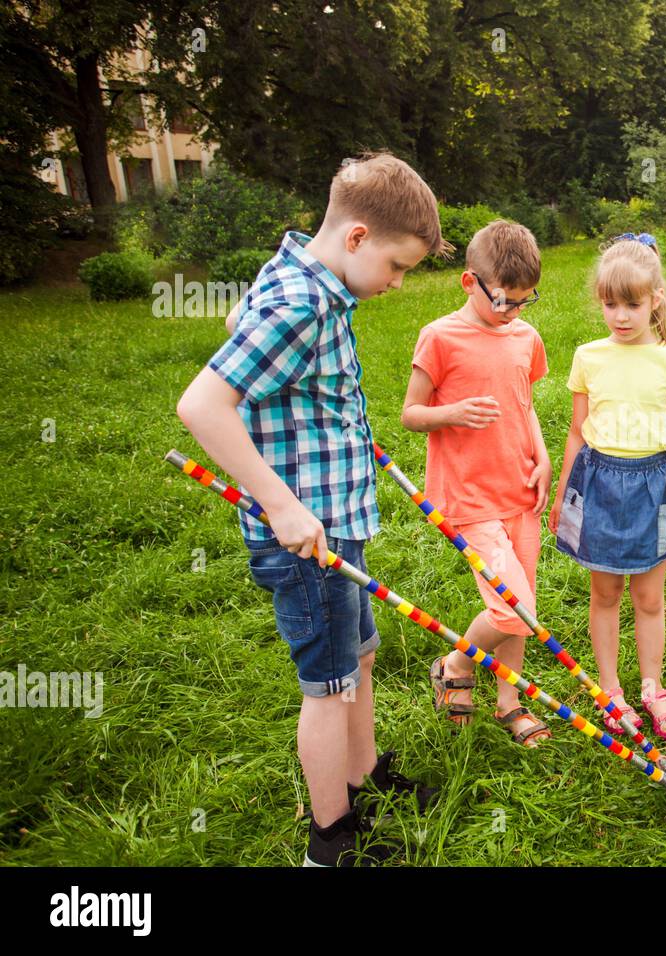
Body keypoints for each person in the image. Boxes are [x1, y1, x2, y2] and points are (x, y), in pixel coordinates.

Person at [178, 152, 447, 865]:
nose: (396, 283)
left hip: (339, 525)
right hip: (305, 538)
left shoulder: (301, 276)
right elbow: (202, 405)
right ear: (357, 238)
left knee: (358, 659)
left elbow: (242, 314)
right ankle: (330, 841)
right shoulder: (301, 303)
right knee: (328, 686)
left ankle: (365, 781)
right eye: (397, 266)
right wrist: (283, 505)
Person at [401, 220, 552, 749]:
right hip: (469, 495)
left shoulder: (525, 337)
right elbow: (410, 414)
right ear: (469, 282)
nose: (512, 311)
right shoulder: (440, 337)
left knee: (521, 602)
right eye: (503, 300)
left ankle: (509, 701)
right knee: (513, 608)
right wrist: (452, 412)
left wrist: (544, 456)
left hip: (520, 491)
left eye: (523, 301)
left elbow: (523, 403)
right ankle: (456, 661)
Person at [548, 235, 666, 741]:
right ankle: (611, 688)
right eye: (610, 304)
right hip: (600, 484)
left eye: (632, 304)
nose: (621, 316)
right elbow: (576, 431)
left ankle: (652, 687)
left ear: (655, 299)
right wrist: (564, 496)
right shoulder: (589, 356)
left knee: (650, 597)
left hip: (657, 487)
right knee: (606, 591)